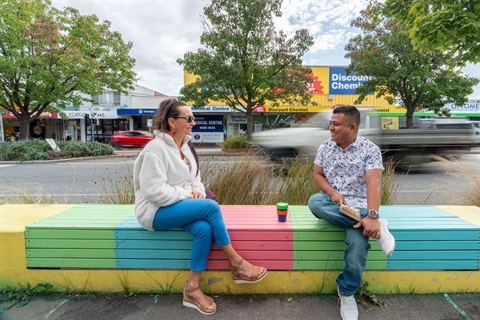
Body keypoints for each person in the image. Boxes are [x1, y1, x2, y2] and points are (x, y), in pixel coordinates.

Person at [133, 98, 267, 316]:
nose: (193, 122)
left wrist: (198, 192)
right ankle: (236, 263)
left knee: (204, 229)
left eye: (193, 118)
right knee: (210, 208)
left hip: (177, 205)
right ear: (172, 122)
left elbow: (195, 178)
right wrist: (188, 195)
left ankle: (192, 289)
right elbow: (153, 192)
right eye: (189, 118)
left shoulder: (185, 146)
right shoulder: (154, 150)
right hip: (153, 211)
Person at [307, 106, 395, 320]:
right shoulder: (326, 147)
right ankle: (375, 227)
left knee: (358, 245)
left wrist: (371, 215)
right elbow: (317, 176)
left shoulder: (370, 149)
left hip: (362, 206)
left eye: (336, 124)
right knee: (314, 202)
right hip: (332, 203)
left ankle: (347, 293)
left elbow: (373, 185)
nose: (331, 127)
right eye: (331, 123)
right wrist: (332, 192)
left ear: (352, 127)